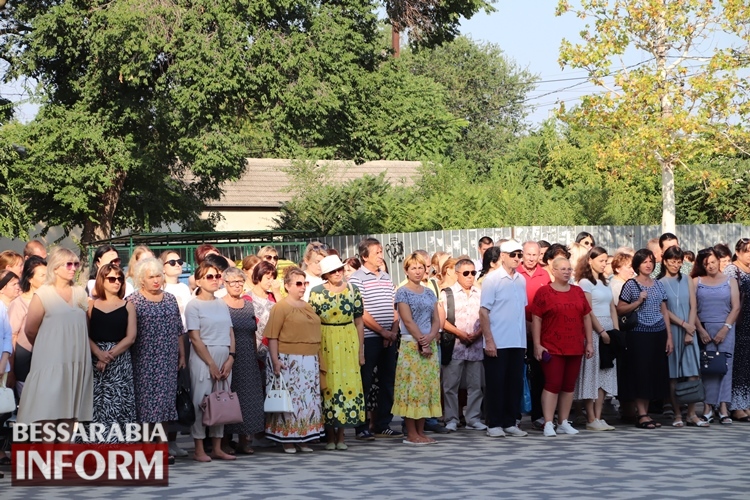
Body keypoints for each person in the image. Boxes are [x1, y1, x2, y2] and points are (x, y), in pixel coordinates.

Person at [16, 248, 93, 437]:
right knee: (49, 407)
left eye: (76, 264)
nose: (73, 268)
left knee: (70, 407)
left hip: (76, 359)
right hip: (50, 358)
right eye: (69, 264)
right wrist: (47, 346)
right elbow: (30, 329)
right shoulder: (43, 294)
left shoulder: (80, 294)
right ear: (56, 267)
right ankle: (47, 456)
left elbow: (86, 321)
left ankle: (63, 455)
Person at [127, 257, 185, 462]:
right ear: (141, 279)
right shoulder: (133, 300)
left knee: (165, 404)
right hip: (142, 359)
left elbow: (179, 328)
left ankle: (162, 448)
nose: (156, 280)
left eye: (158, 275)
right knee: (145, 405)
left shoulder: (169, 299)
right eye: (151, 277)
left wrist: (182, 354)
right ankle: (146, 449)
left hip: (167, 358)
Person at [531, 257, 593, 437]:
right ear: (554, 271)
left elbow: (586, 316)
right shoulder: (544, 292)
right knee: (553, 384)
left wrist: (588, 342)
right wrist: (537, 344)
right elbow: (537, 318)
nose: (567, 272)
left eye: (569, 269)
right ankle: (548, 422)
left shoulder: (578, 291)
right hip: (552, 346)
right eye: (563, 269)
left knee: (568, 385)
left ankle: (563, 421)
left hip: (575, 345)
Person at [308, 255, 366, 450]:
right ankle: (329, 435)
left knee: (347, 384)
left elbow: (359, 321)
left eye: (340, 269)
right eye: (333, 271)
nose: (338, 273)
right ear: (325, 274)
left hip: (348, 338)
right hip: (326, 339)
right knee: (329, 385)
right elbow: (313, 322)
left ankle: (341, 436)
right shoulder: (316, 292)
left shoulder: (353, 289)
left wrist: (360, 351)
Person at [265, 266, 324, 453]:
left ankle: (303, 437)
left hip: (309, 358)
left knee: (307, 400)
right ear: (287, 286)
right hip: (288, 357)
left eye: (304, 283)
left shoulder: (307, 305)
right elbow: (272, 336)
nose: (302, 287)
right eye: (298, 283)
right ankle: (287, 439)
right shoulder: (280, 307)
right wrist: (275, 360)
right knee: (290, 400)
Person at [348, 238, 402, 440]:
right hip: (369, 338)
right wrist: (382, 331)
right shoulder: (356, 279)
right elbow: (360, 312)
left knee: (388, 381)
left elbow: (394, 306)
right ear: (364, 257)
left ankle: (383, 423)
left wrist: (393, 331)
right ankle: (361, 426)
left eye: (381, 252)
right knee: (365, 381)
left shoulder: (387, 277)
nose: (381, 256)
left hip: (389, 338)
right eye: (377, 252)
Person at [616, 248, 674, 429]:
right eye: (644, 262)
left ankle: (646, 413)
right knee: (640, 373)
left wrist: (669, 335)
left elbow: (664, 310)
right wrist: (637, 302)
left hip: (658, 332)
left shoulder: (658, 284)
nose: (648, 265)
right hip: (639, 334)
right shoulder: (631, 285)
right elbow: (620, 309)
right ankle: (640, 413)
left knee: (653, 373)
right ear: (637, 265)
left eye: (650, 261)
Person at [185, 261, 236, 462]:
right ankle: (198, 447)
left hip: (224, 354)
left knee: (221, 400)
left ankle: (217, 446)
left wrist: (231, 357)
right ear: (198, 280)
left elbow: (230, 332)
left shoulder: (222, 302)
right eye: (209, 276)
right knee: (201, 401)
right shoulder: (193, 305)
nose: (215, 280)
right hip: (203, 357)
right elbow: (195, 338)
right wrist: (211, 364)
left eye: (217, 276)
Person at [480, 240, 528, 438]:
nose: (517, 258)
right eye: (513, 254)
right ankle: (494, 423)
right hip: (498, 340)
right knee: (496, 383)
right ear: (503, 255)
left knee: (514, 383)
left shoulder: (521, 280)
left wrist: (524, 341)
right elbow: (483, 312)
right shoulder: (492, 279)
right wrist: (489, 340)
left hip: (517, 340)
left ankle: (510, 421)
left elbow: (520, 311)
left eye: (520, 255)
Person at [393, 253, 442, 445]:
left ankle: (421, 431)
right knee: (411, 388)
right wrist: (422, 341)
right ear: (406, 270)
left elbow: (436, 319)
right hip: (411, 345)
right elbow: (407, 320)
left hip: (429, 343)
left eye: (420, 267)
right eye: (413, 268)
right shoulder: (402, 292)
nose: (417, 271)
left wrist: (430, 337)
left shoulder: (430, 292)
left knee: (426, 388)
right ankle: (411, 433)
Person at [87, 264, 137, 441]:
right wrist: (99, 354)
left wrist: (108, 356)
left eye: (120, 279)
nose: (117, 282)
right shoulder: (91, 305)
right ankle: (93, 449)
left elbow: (130, 337)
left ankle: (119, 447)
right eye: (112, 278)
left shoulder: (128, 306)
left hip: (120, 360)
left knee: (119, 404)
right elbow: (85, 335)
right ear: (102, 280)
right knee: (96, 404)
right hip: (95, 360)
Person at [692, 248, 741, 424]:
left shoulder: (731, 281)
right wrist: (701, 330)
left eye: (713, 261)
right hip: (705, 328)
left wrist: (725, 328)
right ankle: (707, 406)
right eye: (706, 263)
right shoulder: (696, 282)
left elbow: (736, 307)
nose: (710, 266)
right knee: (709, 367)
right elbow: (693, 309)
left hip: (726, 328)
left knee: (725, 367)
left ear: (719, 261)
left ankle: (722, 407)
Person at [657, 246, 705, 427]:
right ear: (665, 261)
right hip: (673, 330)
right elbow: (665, 311)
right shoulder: (659, 282)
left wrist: (690, 328)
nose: (675, 264)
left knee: (693, 372)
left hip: (689, 331)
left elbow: (693, 306)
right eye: (672, 261)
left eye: (679, 261)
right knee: (673, 375)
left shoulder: (687, 279)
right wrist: (683, 325)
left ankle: (692, 414)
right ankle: (677, 414)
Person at [221, 267, 264, 455]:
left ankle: (245, 439)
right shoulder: (220, 304)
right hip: (228, 356)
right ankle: (224, 440)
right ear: (225, 284)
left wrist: (254, 356)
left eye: (240, 281)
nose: (237, 285)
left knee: (249, 397)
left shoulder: (248, 305)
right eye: (233, 282)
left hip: (248, 355)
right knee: (228, 397)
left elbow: (253, 331)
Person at [573, 247, 618, 431]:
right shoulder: (585, 282)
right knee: (591, 374)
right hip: (593, 330)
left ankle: (599, 417)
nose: (604, 264)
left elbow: (612, 307)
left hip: (608, 328)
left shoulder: (605, 282)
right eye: (601, 260)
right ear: (590, 260)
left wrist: (615, 331)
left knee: (604, 374)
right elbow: (587, 310)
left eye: (606, 261)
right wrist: (601, 332)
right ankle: (590, 417)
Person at [441, 258, 485, 432]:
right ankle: (451, 418)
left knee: (476, 384)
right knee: (450, 384)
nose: (470, 276)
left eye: (473, 272)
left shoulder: (481, 293)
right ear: (457, 273)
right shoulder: (447, 293)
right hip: (455, 345)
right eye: (466, 273)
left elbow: (486, 316)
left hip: (475, 345)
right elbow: (441, 320)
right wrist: (460, 334)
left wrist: (478, 333)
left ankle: (473, 418)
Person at [518, 241, 551, 429]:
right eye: (528, 254)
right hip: (518, 330)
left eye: (534, 255)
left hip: (540, 334)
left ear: (540, 255)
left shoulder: (544, 275)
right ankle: (514, 415)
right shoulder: (515, 274)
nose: (531, 258)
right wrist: (526, 322)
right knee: (517, 375)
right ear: (522, 254)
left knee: (540, 375)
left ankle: (539, 415)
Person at [8, 257, 46, 398]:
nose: (46, 279)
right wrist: (11, 370)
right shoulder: (19, 304)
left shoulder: (50, 300)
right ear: (30, 279)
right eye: (42, 275)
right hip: (25, 361)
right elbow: (12, 336)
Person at [724, 238, 750, 420]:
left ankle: (746, 403)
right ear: (738, 252)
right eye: (747, 251)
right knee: (739, 365)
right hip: (739, 323)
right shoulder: (732, 270)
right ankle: (735, 405)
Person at [160, 250, 192, 328]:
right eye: (172, 262)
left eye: (180, 262)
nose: (177, 265)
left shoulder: (184, 287)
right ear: (162, 268)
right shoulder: (160, 289)